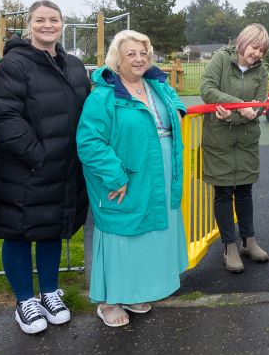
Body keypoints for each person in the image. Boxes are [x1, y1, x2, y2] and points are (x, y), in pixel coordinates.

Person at [0, 0, 89, 335]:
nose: (48, 25)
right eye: (40, 20)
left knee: (51, 229)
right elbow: (4, 116)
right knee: (18, 231)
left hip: (65, 166)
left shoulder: (74, 65)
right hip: (26, 168)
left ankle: (49, 291)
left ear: (62, 24)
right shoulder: (13, 65)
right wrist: (36, 155)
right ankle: (24, 300)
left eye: (54, 19)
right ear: (30, 25)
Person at [77, 30, 189, 328]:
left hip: (159, 175)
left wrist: (177, 111)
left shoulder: (156, 85)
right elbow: (89, 142)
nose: (139, 59)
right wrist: (115, 177)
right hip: (126, 176)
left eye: (143, 53)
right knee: (122, 234)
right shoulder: (104, 96)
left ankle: (134, 291)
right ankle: (109, 300)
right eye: (131, 54)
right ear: (117, 59)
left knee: (147, 234)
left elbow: (176, 103)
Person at [199, 24, 269, 273]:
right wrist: (238, 104)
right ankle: (229, 246)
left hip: (246, 140)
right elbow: (207, 89)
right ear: (242, 43)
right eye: (254, 47)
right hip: (219, 141)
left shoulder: (262, 72)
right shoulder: (220, 58)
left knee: (244, 190)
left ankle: (248, 241)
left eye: (262, 50)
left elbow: (259, 105)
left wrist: (233, 116)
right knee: (223, 191)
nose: (257, 54)